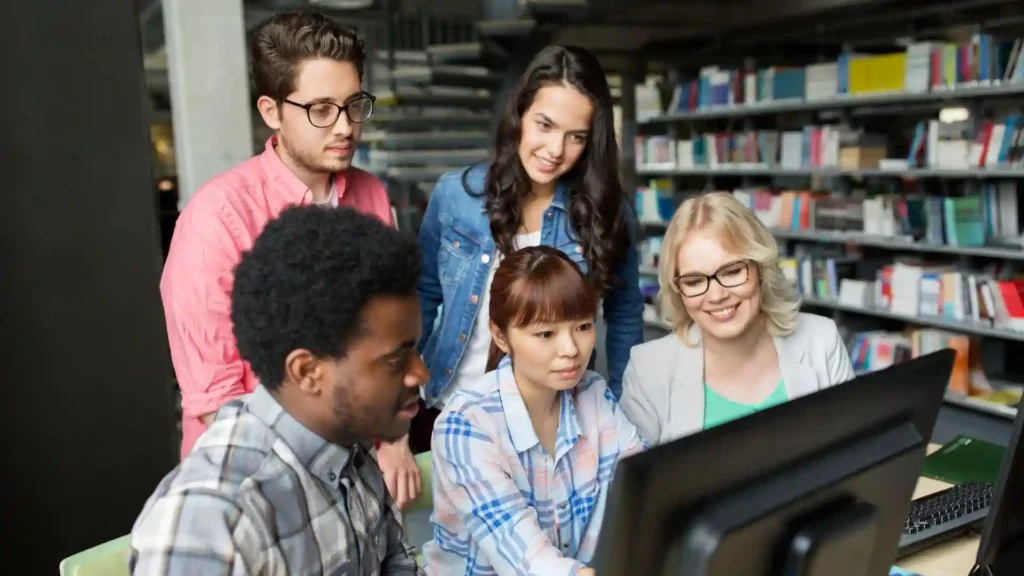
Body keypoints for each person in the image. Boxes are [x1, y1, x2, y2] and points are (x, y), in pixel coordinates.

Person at [378, 44, 644, 493]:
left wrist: (614, 410)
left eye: (576, 136)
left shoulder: (608, 215)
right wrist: (394, 418)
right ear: (519, 114)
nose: (555, 150)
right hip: (446, 407)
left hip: (554, 421)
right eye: (544, 125)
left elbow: (625, 316)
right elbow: (417, 303)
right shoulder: (455, 197)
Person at [130, 206, 425, 576]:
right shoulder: (215, 521)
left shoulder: (349, 439)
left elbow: (396, 565)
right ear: (307, 371)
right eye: (397, 360)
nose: (420, 373)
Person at [160, 10, 393, 460]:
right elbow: (218, 399)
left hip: (363, 468)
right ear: (272, 112)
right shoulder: (218, 217)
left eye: (353, 104)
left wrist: (393, 439)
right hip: (261, 476)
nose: (345, 126)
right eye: (321, 109)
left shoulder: (371, 194)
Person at [422, 246, 647, 576]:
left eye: (583, 327)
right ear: (500, 336)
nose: (571, 349)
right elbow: (530, 563)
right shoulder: (466, 426)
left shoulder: (593, 394)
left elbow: (639, 490)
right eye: (546, 334)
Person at [620, 192, 855, 446]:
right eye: (695, 281)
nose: (717, 295)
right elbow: (633, 482)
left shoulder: (821, 340)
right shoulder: (648, 370)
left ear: (761, 269)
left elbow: (857, 453)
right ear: (678, 290)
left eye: (732, 272)